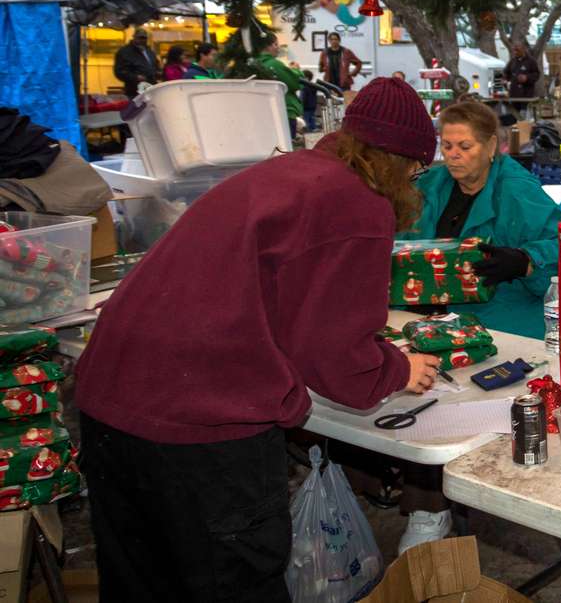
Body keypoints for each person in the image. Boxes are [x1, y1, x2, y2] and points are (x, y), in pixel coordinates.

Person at [74, 78, 442, 602]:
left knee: (142, 584)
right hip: (201, 428)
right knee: (233, 584)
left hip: (111, 402)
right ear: (403, 163)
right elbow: (336, 359)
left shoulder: (283, 172)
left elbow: (273, 303)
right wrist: (396, 370)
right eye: (417, 170)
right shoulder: (358, 201)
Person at [401, 101, 561, 339]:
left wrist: (525, 260)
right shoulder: (428, 186)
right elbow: (398, 243)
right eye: (447, 146)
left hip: (502, 326)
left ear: (490, 146)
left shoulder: (518, 192)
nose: (453, 154)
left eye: (465, 146)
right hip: (425, 321)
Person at [253, 35, 304, 139]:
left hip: (263, 112)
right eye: (276, 44)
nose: (278, 48)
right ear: (268, 46)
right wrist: (296, 70)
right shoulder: (274, 64)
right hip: (284, 110)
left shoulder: (254, 64)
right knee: (287, 146)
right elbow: (295, 83)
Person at [113, 28, 158, 97]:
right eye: (140, 38)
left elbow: (155, 66)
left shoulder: (149, 51)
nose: (142, 40)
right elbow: (119, 71)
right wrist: (135, 77)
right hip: (134, 90)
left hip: (151, 87)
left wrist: (157, 73)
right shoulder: (124, 52)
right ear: (134, 37)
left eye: (144, 38)